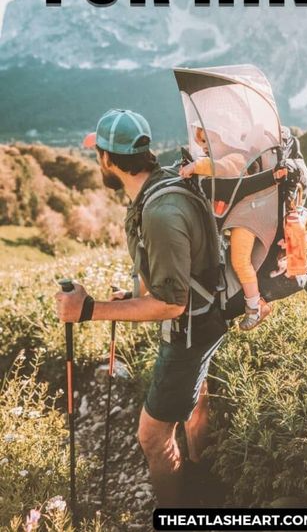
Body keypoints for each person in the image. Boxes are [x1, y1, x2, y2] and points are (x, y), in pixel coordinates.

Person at [54, 108, 237, 507]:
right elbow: (176, 271)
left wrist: (89, 310)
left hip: (188, 333)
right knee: (196, 397)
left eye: (97, 153)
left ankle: (177, 514)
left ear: (105, 158)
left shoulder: (159, 211)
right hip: (207, 320)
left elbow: (172, 304)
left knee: (152, 437)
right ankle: (200, 474)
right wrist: (133, 296)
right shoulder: (165, 182)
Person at [180, 124, 272, 330]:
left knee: (240, 260)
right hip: (239, 215)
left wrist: (197, 166)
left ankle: (256, 306)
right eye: (201, 142)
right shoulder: (228, 156)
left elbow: (221, 168)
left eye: (208, 142)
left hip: (249, 216)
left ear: (226, 137)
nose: (203, 147)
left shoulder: (238, 157)